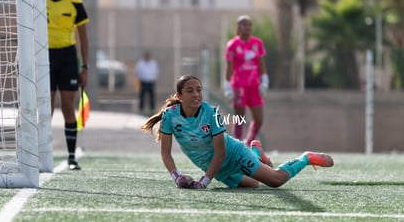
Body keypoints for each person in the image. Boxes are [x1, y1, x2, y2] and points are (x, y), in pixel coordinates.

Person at [141, 75, 333, 189]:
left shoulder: (212, 112)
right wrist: (177, 177)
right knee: (255, 185)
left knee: (275, 181)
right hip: (219, 170)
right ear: (179, 96)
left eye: (199, 90)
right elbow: (165, 152)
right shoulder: (169, 116)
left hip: (232, 154)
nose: (196, 94)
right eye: (190, 91)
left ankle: (306, 158)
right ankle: (256, 151)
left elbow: (221, 152)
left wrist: (204, 181)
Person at [46, 0, 90, 170]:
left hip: (67, 58)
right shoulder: (39, 1)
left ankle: (71, 156)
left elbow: (84, 38)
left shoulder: (75, 3)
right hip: (44, 57)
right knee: (46, 109)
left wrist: (85, 67)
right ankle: (42, 154)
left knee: (67, 107)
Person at [224, 15, 269, 148]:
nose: (248, 27)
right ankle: (238, 144)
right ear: (239, 27)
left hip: (254, 86)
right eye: (245, 24)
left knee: (259, 118)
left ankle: (248, 142)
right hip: (239, 85)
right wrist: (227, 85)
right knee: (240, 117)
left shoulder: (257, 43)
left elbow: (261, 62)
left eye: (250, 24)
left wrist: (264, 80)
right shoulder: (233, 44)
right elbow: (229, 66)